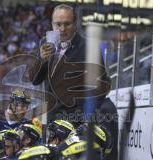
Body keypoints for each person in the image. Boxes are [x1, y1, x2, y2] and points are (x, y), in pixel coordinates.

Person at [29, 4, 118, 160]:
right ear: (52, 24)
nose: (62, 29)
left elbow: (102, 86)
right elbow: (35, 79)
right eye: (58, 24)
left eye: (67, 24)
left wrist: (83, 116)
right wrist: (40, 60)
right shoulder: (46, 43)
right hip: (52, 120)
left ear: (75, 24)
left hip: (76, 122)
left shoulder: (89, 46)